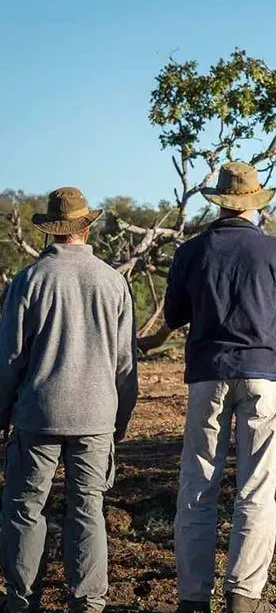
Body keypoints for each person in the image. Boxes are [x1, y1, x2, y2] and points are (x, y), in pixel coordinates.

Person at [164, 162, 276, 613]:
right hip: (262, 376)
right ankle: (244, 596)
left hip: (207, 375)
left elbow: (175, 315)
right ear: (255, 204)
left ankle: (193, 598)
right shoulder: (275, 250)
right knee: (256, 487)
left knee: (197, 485)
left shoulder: (191, 252)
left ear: (219, 203)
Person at [0, 187, 138, 612]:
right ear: (86, 224)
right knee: (88, 510)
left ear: (50, 230)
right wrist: (121, 418)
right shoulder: (112, 281)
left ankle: (22, 601)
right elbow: (124, 362)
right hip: (96, 416)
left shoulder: (29, 279)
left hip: (38, 414)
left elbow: (10, 358)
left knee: (25, 510)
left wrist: (2, 411)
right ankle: (89, 601)